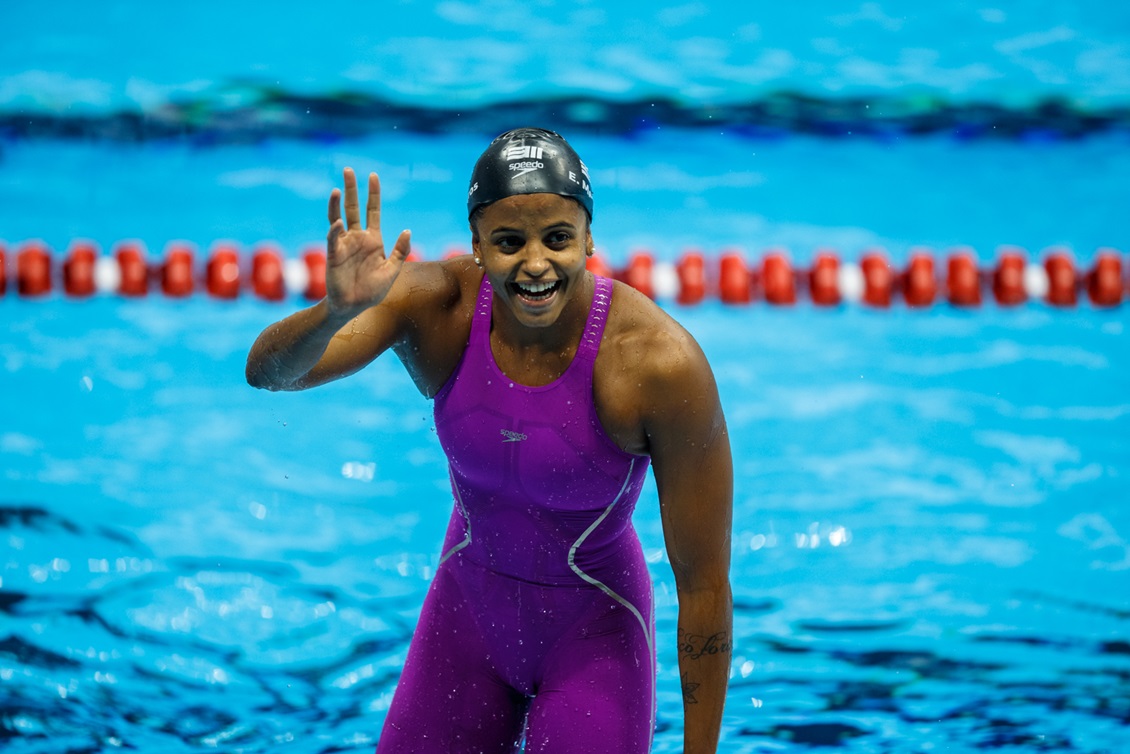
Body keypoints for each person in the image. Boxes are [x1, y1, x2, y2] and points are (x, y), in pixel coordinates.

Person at [246, 128, 733, 753]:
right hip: (465, 622)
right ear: (477, 243)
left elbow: (704, 588)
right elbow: (268, 375)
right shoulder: (439, 309)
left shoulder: (655, 365)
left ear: (589, 237)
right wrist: (335, 312)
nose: (535, 264)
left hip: (596, 640)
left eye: (558, 238)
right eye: (509, 242)